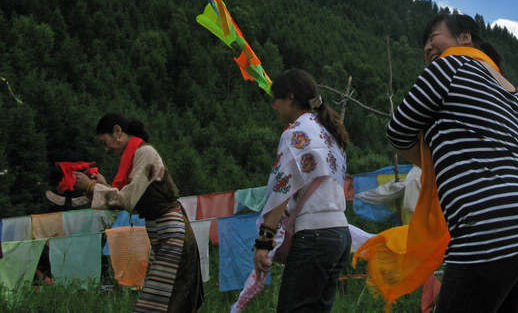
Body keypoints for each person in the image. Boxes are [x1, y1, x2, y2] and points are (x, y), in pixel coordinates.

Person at [385, 12, 518, 313]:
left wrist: (433, 163)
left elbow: (398, 129)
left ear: (464, 38)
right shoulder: (516, 95)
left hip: (487, 229)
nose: (427, 47)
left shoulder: (451, 64)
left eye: (433, 37)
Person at [232, 68, 351, 313]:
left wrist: (263, 244)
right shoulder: (330, 132)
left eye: (276, 99)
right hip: (340, 235)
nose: (274, 106)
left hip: (314, 238)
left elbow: (280, 193)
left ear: (289, 98)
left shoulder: (295, 134)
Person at [74, 113, 204, 313]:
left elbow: (127, 199)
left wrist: (92, 187)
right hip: (162, 237)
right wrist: (103, 187)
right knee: (160, 302)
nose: (106, 149)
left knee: (162, 303)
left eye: (104, 142)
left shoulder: (145, 153)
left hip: (171, 235)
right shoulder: (135, 157)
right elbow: (132, 199)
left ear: (117, 131)